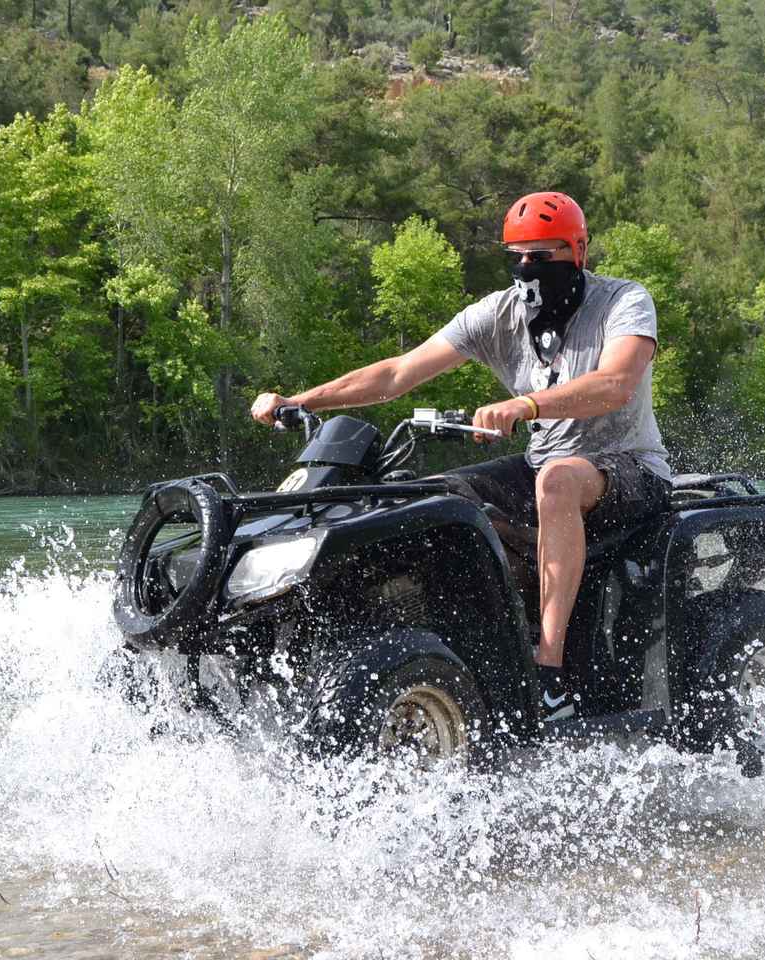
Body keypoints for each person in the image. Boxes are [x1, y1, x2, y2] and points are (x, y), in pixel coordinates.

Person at [250, 192, 671, 719]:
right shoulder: (498, 313)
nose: (528, 267)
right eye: (518, 256)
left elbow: (616, 384)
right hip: (543, 462)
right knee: (431, 501)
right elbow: (397, 374)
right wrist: (298, 401)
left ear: (579, 250)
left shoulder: (623, 300)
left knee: (557, 482)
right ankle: (453, 643)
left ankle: (549, 672)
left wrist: (526, 404)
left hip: (628, 465)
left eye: (542, 255)